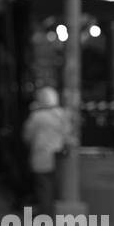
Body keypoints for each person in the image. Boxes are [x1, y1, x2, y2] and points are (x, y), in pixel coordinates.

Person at [21, 86, 69, 216]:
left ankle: (46, 215)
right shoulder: (63, 115)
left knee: (44, 189)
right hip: (60, 157)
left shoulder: (37, 116)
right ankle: (56, 215)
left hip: (41, 156)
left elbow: (27, 136)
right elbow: (68, 135)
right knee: (58, 189)